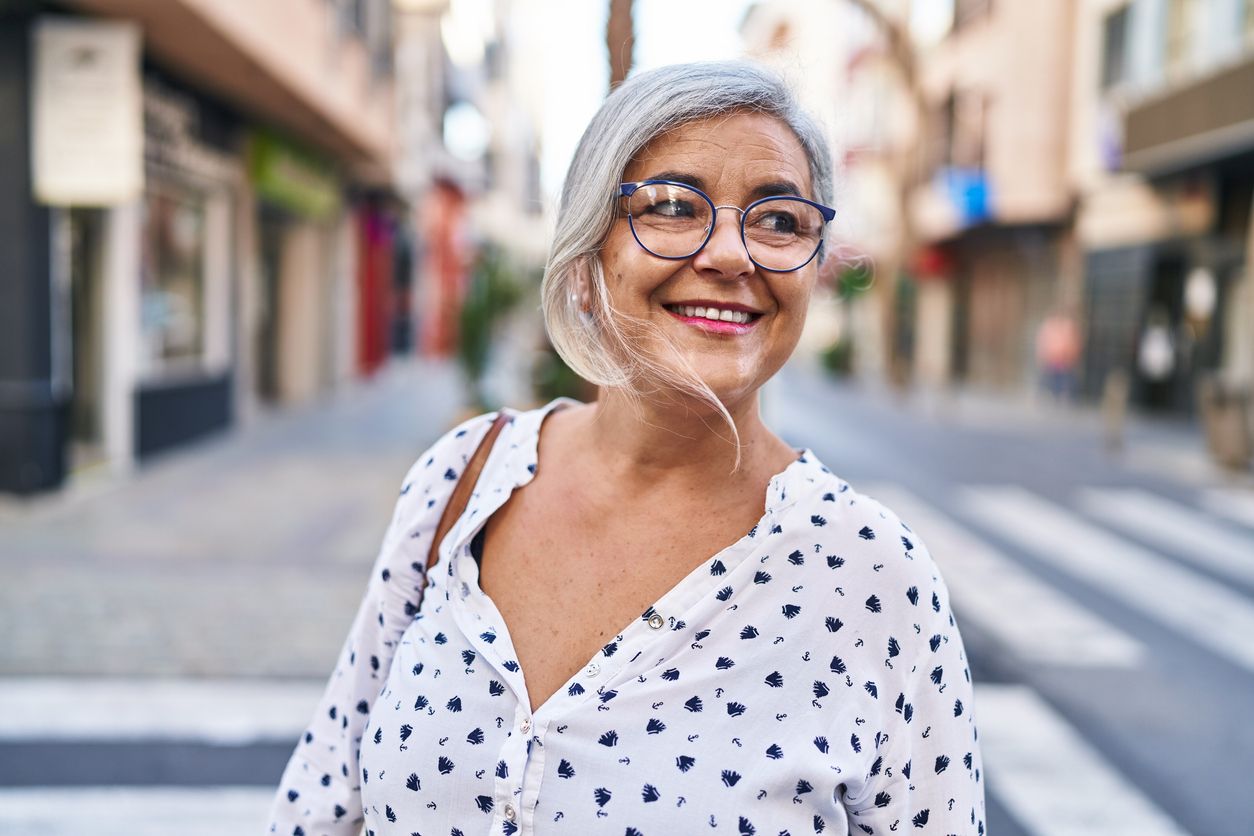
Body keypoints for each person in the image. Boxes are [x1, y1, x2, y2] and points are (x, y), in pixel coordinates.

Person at [267, 61, 985, 835]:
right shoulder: (462, 481)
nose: (733, 255)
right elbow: (321, 800)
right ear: (590, 248)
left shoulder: (873, 575)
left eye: (780, 221)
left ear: (813, 267)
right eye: (675, 206)